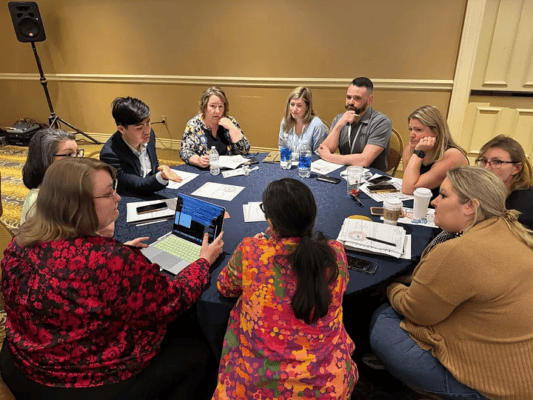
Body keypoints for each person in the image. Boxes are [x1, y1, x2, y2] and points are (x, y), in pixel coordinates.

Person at [0, 157, 224, 400]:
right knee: (200, 349)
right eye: (109, 194)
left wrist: (116, 251)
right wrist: (203, 262)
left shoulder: (20, 241)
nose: (118, 198)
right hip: (83, 382)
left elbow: (66, 275)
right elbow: (172, 302)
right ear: (79, 204)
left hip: (20, 362)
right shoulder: (109, 261)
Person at [370, 166, 533, 400]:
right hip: (519, 371)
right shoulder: (513, 230)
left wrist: (390, 286)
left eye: (444, 195)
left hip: (491, 387)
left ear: (471, 206)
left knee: (383, 317)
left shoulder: (457, 251)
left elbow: (415, 312)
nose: (435, 202)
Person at [213, 178, 358, 399]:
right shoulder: (335, 253)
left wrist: (259, 246)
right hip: (327, 385)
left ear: (271, 222)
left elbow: (225, 287)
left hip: (255, 384)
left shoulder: (253, 251)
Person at [100, 97, 181, 194]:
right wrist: (161, 176)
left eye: (148, 123)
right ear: (121, 129)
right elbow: (136, 184)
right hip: (129, 198)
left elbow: (153, 166)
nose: (147, 131)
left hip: (150, 189)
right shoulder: (110, 155)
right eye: (139, 128)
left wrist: (160, 170)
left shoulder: (149, 135)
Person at [318, 77, 391, 171]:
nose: (350, 102)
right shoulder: (340, 119)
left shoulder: (381, 122)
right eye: (348, 97)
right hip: (344, 173)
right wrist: (339, 126)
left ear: (369, 100)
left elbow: (364, 161)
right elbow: (324, 149)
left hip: (371, 178)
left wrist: (330, 157)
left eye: (357, 98)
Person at [401, 105, 468, 200]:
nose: (411, 135)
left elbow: (409, 189)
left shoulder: (453, 156)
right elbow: (407, 184)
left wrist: (419, 152)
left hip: (447, 210)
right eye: (410, 129)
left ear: (436, 131)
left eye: (418, 130)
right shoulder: (410, 150)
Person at [21, 128, 81, 224]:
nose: (77, 160)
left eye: (77, 153)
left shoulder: (67, 185)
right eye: (69, 154)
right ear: (46, 160)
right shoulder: (37, 203)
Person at [180, 86, 250, 168]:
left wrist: (232, 128)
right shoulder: (194, 124)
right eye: (212, 106)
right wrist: (198, 160)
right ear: (204, 106)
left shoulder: (230, 121)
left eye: (220, 106)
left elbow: (245, 150)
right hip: (206, 171)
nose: (217, 111)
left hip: (229, 169)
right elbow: (185, 152)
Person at [477, 134, 533, 229]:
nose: (486, 168)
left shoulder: (524, 205)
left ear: (516, 168)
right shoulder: (485, 191)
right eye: (483, 161)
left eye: (497, 162)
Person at [278, 87, 327, 155]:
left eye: (299, 105)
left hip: (309, 164)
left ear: (307, 107)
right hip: (289, 164)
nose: (294, 109)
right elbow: (282, 148)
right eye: (292, 104)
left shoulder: (317, 126)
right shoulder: (285, 121)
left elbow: (320, 155)